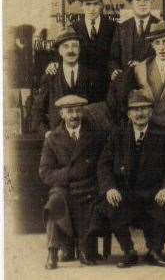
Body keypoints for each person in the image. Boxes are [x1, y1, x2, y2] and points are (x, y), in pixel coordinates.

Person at [95, 90, 165, 268]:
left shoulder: (164, 134)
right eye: (135, 109)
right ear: (128, 113)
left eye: (144, 108)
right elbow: (104, 164)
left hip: (154, 192)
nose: (140, 113)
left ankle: (155, 251)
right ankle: (129, 251)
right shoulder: (117, 134)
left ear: (151, 111)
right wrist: (110, 188)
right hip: (126, 192)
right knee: (109, 202)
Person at [38, 95, 105, 268]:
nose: (74, 115)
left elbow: (103, 165)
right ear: (61, 114)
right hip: (64, 187)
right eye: (69, 111)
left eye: (77, 110)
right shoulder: (52, 138)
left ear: (82, 112)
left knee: (94, 201)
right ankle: (52, 251)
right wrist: (70, 173)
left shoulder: (96, 135)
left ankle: (83, 246)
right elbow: (45, 173)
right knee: (54, 203)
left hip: (88, 186)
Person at [33, 28, 100, 132]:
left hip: (85, 138)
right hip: (57, 139)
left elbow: (99, 109)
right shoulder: (50, 76)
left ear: (79, 49)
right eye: (65, 46)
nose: (70, 50)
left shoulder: (92, 76)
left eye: (75, 46)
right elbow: (37, 110)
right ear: (59, 51)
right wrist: (46, 132)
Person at [108, 0, 162, 104]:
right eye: (138, 0)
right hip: (125, 84)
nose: (143, 4)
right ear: (131, 4)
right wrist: (114, 69)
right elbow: (113, 56)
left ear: (151, 2)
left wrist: (142, 65)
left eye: (146, 0)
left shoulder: (160, 26)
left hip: (151, 82)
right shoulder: (122, 27)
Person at [71, 0, 116, 96]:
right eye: (88, 4)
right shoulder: (73, 28)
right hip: (81, 88)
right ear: (81, 6)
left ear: (101, 5)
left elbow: (115, 56)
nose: (92, 9)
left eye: (96, 4)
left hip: (106, 88)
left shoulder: (113, 27)